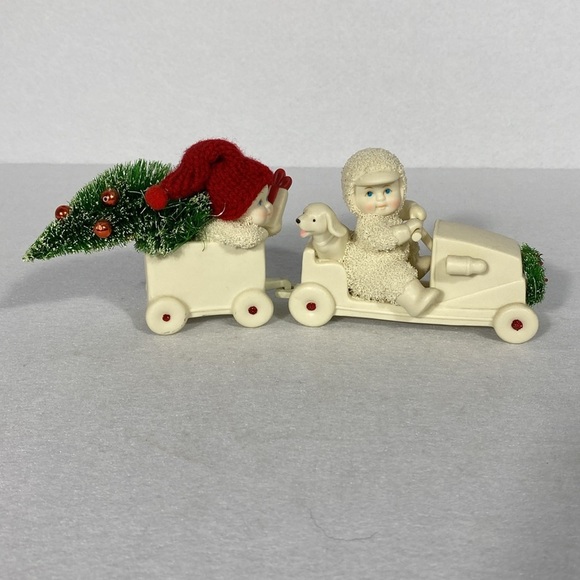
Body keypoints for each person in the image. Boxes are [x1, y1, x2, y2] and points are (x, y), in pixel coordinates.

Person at [341, 147, 441, 316]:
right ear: (353, 198)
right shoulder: (368, 223)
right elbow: (382, 239)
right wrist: (407, 229)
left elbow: (401, 208)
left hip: (398, 258)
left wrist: (412, 208)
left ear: (401, 188)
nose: (381, 199)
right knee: (394, 275)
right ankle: (415, 301)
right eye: (370, 193)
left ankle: (414, 274)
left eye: (387, 191)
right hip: (373, 268)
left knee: (421, 262)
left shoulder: (388, 211)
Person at [144, 139, 291, 248]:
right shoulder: (223, 228)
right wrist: (265, 231)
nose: (268, 205)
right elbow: (249, 237)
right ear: (234, 209)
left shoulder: (242, 221)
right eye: (259, 202)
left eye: (265, 199)